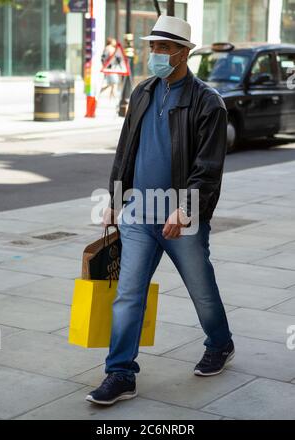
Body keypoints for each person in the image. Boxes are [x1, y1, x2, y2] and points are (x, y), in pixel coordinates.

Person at [86, 15, 234, 406]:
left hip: (179, 217)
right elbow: (126, 152)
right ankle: (120, 373)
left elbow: (208, 166)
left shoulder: (207, 102)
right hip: (138, 213)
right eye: (153, 47)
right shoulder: (142, 92)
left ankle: (219, 343)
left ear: (185, 53)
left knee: (201, 291)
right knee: (128, 294)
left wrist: (186, 209)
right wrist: (116, 200)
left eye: (164, 48)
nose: (156, 54)